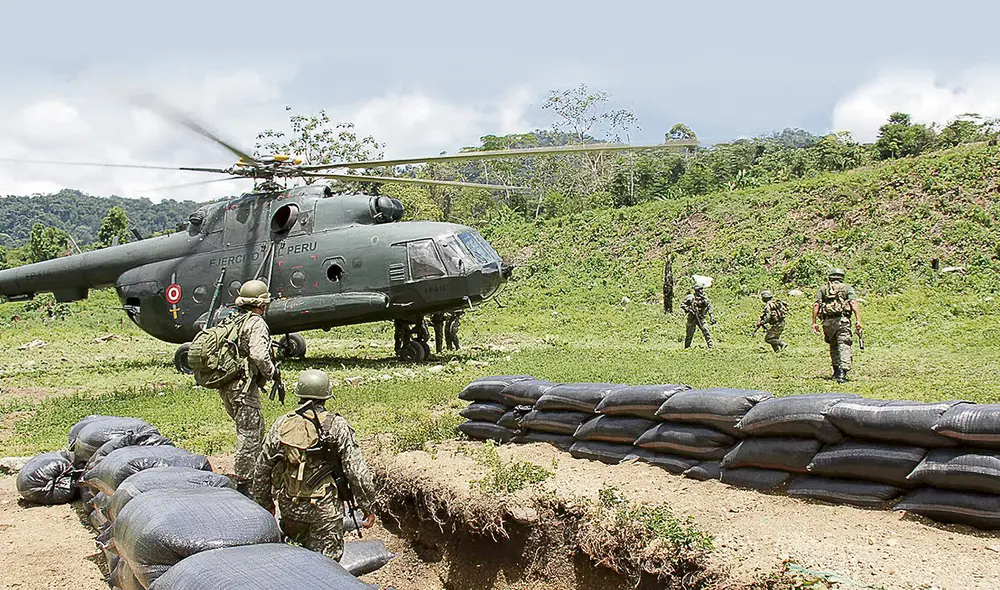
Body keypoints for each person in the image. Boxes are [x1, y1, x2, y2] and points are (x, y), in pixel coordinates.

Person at [252, 369, 377, 561]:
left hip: (290, 509)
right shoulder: (337, 426)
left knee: (295, 562)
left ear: (299, 394)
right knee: (326, 567)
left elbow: (262, 466)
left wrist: (265, 504)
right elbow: (357, 473)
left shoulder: (282, 424)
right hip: (324, 514)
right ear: (326, 395)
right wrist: (367, 507)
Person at [221, 279, 278, 494]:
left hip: (228, 385)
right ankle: (245, 485)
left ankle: (254, 476)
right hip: (243, 388)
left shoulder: (233, 319)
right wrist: (271, 372)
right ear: (261, 304)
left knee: (249, 430)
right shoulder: (255, 323)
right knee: (250, 434)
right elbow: (259, 355)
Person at [812, 268, 862, 383]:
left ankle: (836, 370)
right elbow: (853, 303)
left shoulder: (823, 289)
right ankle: (842, 373)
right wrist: (858, 320)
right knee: (844, 344)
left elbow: (816, 305)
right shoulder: (847, 288)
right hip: (842, 320)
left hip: (827, 322)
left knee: (833, 345)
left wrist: (814, 322)